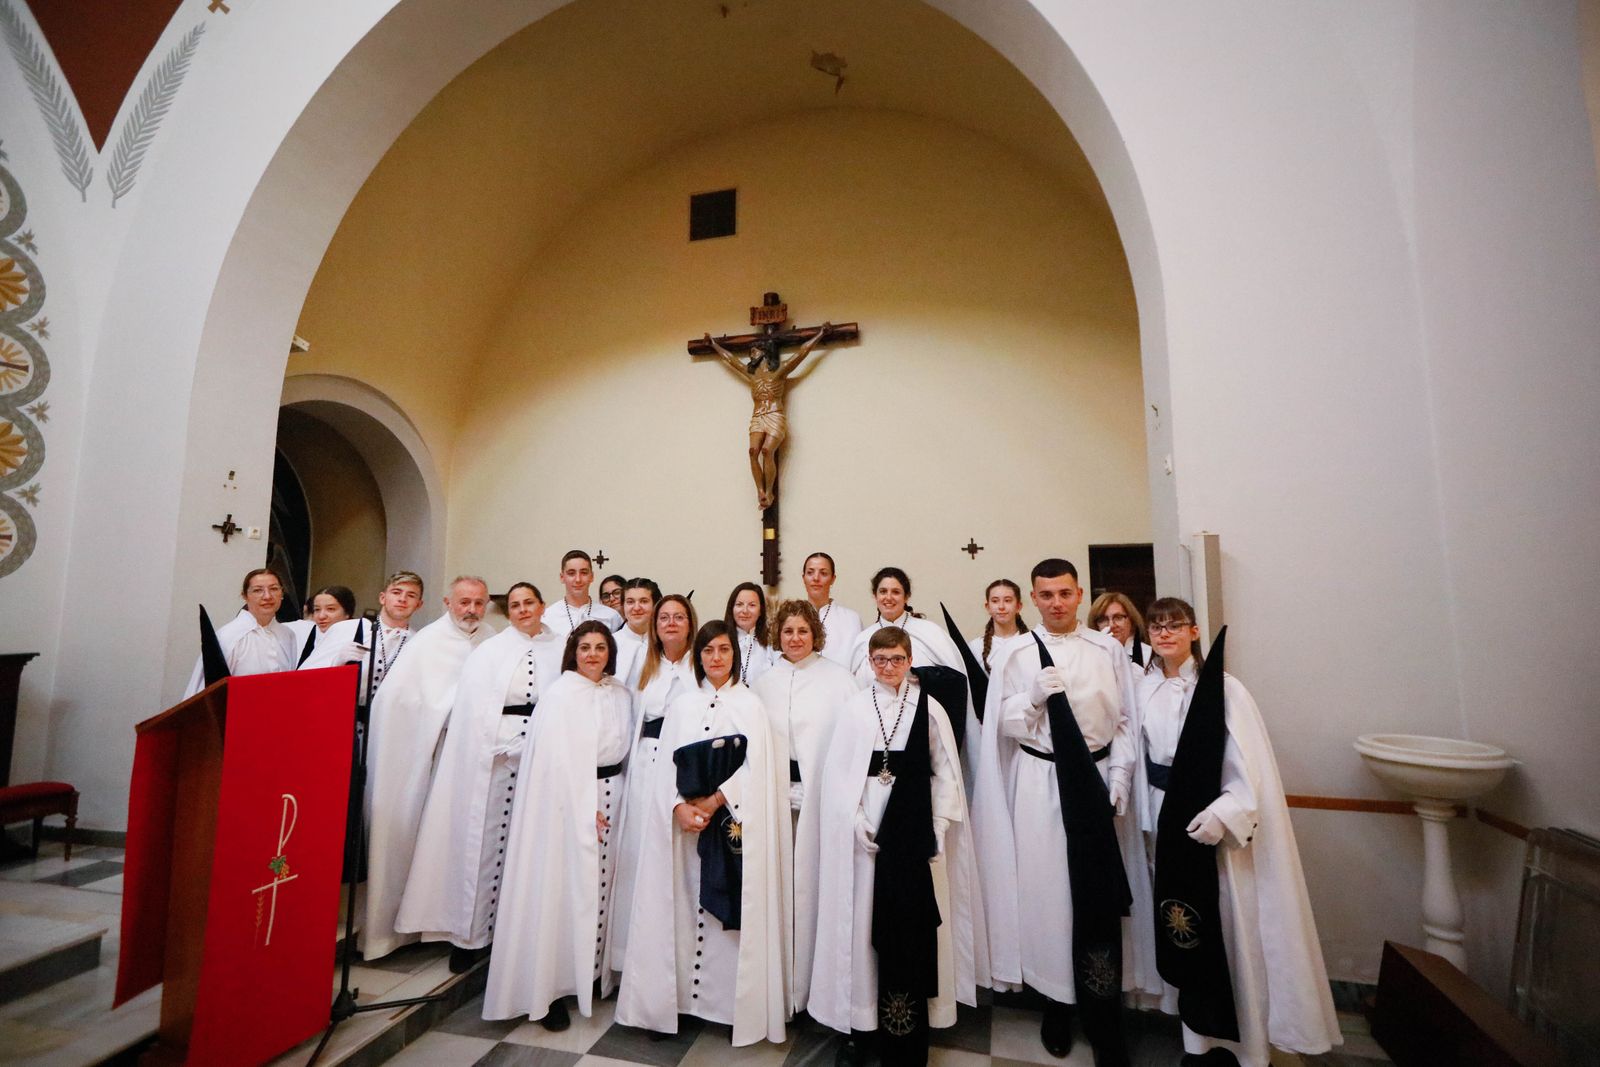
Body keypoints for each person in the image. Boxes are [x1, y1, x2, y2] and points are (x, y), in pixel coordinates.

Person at [970, 558, 1158, 1066]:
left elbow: (1123, 720)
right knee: (1049, 895)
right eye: (1046, 595)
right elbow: (1000, 726)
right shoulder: (1013, 654)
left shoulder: (1108, 650)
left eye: (1065, 594)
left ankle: (1102, 1010)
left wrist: (1119, 779)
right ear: (1033, 599)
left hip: (1095, 784)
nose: (1056, 603)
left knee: (1094, 896)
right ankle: (1056, 1001)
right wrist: (1030, 700)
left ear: (1079, 595)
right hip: (1039, 780)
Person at [1135, 599, 1339, 1067]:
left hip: (1213, 828)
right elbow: (1144, 755)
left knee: (1227, 929)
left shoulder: (1224, 690)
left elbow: (1249, 764)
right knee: (1182, 926)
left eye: (1174, 626)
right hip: (1166, 822)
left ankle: (1243, 1046)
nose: (1164, 634)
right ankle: (1197, 1043)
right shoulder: (1144, 688)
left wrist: (1226, 812)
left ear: (1194, 631)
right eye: (1156, 627)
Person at [808, 627, 984, 1067]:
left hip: (916, 833)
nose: (889, 668)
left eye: (897, 660)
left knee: (911, 929)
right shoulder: (853, 708)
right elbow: (837, 776)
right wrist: (855, 819)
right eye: (880, 660)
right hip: (867, 838)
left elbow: (945, 770)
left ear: (910, 661)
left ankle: (911, 1024)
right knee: (864, 928)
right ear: (870, 662)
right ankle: (863, 1025)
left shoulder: (931, 708)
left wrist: (940, 825)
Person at [616, 621, 791, 1046]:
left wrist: (714, 802)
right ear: (699, 655)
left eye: (724, 650)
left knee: (727, 908)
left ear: (735, 655)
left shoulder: (750, 705)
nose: (716, 658)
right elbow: (665, 768)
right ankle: (673, 1006)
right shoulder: (683, 705)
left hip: (730, 823)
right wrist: (678, 806)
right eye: (708, 650)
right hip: (684, 831)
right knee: (678, 904)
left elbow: (757, 768)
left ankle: (724, 1007)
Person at [395, 582, 565, 972]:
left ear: (542, 606)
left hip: (542, 758)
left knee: (531, 851)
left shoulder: (562, 647)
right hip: (493, 762)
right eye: (516, 605)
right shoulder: (491, 650)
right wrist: (496, 745)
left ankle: (519, 939)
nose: (523, 610)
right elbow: (473, 709)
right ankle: (470, 936)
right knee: (483, 847)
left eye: (530, 603)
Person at [484, 620, 634, 1031]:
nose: (592, 655)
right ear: (573, 652)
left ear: (610, 653)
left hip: (615, 795)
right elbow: (553, 763)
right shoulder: (560, 695)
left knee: (605, 890)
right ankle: (550, 987)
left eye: (600, 647)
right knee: (565, 893)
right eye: (584, 647)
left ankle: (594, 974)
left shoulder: (620, 693)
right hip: (570, 808)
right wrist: (585, 803)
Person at [360, 575, 492, 959]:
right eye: (464, 602)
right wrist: (448, 712)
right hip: (428, 760)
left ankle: (451, 924)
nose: (471, 610)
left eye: (479, 603)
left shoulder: (490, 639)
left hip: (470, 764)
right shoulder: (428, 643)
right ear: (448, 601)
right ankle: (397, 930)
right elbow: (396, 703)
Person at [752, 599, 859, 1012]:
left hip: (821, 801)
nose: (794, 639)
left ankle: (818, 990)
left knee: (816, 889)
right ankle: (780, 989)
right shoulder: (763, 681)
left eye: (802, 631)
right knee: (778, 890)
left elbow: (850, 743)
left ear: (815, 634)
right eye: (787, 631)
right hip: (775, 799)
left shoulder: (839, 680)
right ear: (776, 634)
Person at [609, 593, 698, 974]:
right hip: (645, 766)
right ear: (656, 627)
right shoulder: (644, 668)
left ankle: (676, 962)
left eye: (680, 617)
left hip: (685, 771)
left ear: (690, 623)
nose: (672, 623)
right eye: (665, 618)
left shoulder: (700, 669)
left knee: (679, 864)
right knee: (639, 857)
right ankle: (633, 962)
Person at [703, 321, 832, 509]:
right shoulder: (752, 375)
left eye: (754, 351)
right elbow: (730, 359)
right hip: (758, 416)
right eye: (750, 352)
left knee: (766, 451)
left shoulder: (779, 371)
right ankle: (760, 492)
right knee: (752, 452)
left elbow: (801, 354)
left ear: (764, 352)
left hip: (775, 414)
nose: (751, 354)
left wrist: (820, 334)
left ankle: (769, 491)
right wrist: (713, 344)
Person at [846, 568, 976, 749]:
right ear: (875, 596)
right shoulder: (862, 640)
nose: (888, 597)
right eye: (883, 591)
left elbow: (956, 682)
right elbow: (853, 690)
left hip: (921, 729)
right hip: (874, 732)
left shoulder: (930, 633)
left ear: (906, 596)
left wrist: (920, 675)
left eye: (896, 592)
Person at [300, 571, 425, 703]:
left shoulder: (417, 641)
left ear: (419, 604)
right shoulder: (348, 629)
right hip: (345, 714)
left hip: (389, 720)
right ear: (382, 598)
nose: (402, 599)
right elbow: (305, 678)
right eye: (396, 592)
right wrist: (337, 663)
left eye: (411, 595)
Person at [183, 568, 299, 696]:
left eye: (274, 589)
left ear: (282, 593)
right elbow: (207, 691)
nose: (267, 596)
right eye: (258, 590)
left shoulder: (288, 635)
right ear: (245, 596)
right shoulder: (228, 636)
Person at [801, 551, 862, 667]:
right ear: (803, 578)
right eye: (810, 573)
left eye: (823, 573)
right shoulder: (792, 617)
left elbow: (857, 665)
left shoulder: (851, 619)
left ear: (833, 579)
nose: (816, 578)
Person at [545, 550, 624, 637]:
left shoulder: (611, 616)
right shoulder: (548, 617)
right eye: (571, 573)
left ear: (592, 576)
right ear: (562, 577)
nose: (578, 579)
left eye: (584, 573)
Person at [288, 584, 356, 666]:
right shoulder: (309, 636)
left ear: (347, 612)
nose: (321, 616)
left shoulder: (360, 639)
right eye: (317, 609)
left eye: (330, 609)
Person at [972, 578, 1029, 675]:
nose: (1001, 606)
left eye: (1007, 600)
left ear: (1018, 606)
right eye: (995, 601)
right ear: (988, 607)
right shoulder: (975, 647)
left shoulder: (1033, 643)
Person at [725, 581, 775, 687]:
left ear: (761, 610)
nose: (745, 611)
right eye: (739, 605)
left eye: (752, 605)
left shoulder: (772, 643)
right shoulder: (722, 641)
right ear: (731, 608)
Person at [1089, 592, 1152, 672]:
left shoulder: (1148, 656)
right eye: (1103, 619)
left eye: (1118, 617)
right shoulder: (1089, 656)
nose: (1111, 625)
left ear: (1132, 621)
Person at [615, 577, 657, 687]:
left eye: (644, 601)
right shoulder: (611, 643)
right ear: (623, 606)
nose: (636, 608)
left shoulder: (665, 643)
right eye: (630, 602)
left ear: (655, 605)